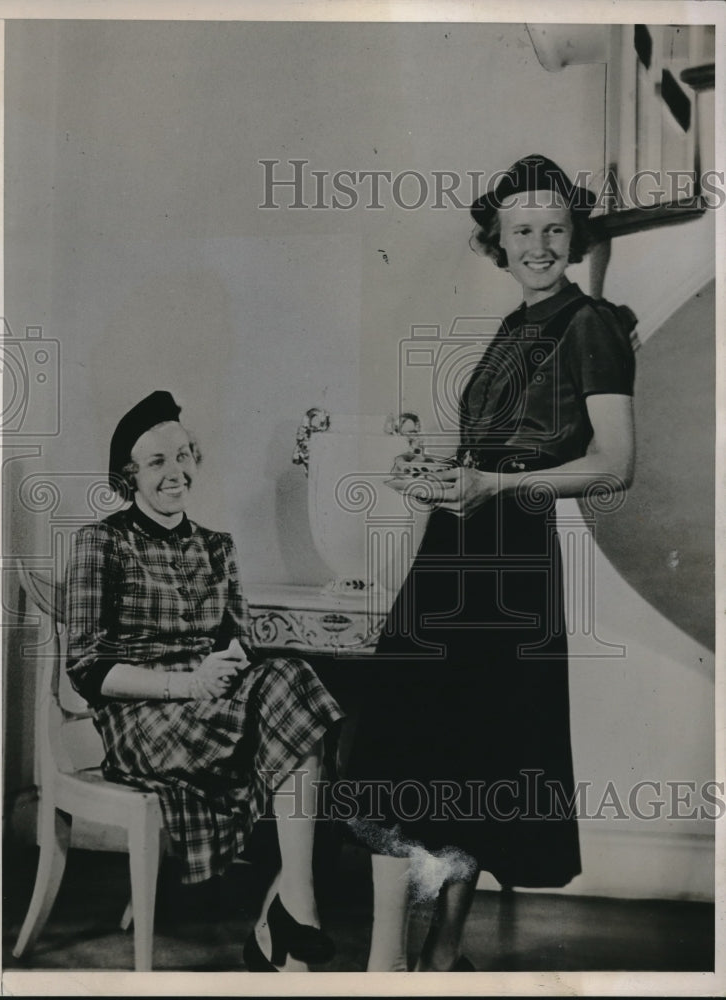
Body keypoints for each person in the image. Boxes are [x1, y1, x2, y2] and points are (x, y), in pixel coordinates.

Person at [343, 154, 636, 971]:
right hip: (457, 551)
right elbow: (486, 453)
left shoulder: (593, 327)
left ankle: (420, 966)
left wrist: (494, 482)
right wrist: (434, 471)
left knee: (470, 759)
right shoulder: (518, 325)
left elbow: (615, 463)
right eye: (521, 232)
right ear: (498, 244)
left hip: (510, 567)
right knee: (441, 757)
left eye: (553, 230)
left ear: (572, 236)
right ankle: (419, 965)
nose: (538, 245)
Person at [65, 390, 344, 971]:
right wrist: (186, 685)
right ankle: (295, 907)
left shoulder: (217, 547)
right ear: (129, 476)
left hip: (208, 708)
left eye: (184, 454)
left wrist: (227, 667)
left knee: (295, 677)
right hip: (141, 718)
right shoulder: (103, 542)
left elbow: (237, 641)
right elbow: (87, 669)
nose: (177, 471)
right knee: (296, 697)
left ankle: (296, 901)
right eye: (158, 461)